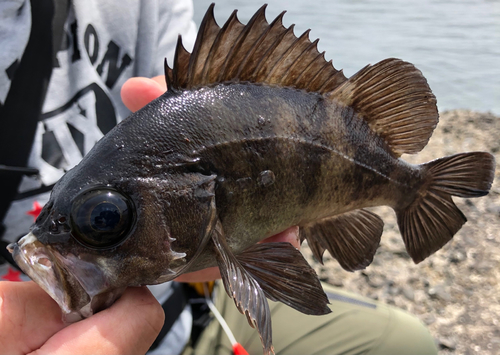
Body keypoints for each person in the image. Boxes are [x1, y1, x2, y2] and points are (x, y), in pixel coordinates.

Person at [0, 1, 439, 354]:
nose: (101, 221)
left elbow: (190, 86)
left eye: (104, 218)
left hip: (187, 310)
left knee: (407, 341)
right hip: (39, 328)